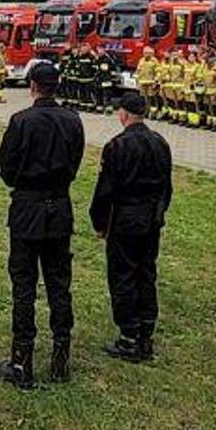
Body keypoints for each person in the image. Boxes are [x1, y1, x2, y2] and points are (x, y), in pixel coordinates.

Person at [0, 62, 85, 389]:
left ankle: (22, 362)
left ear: (32, 86)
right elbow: (75, 161)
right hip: (58, 207)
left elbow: (7, 167)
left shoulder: (21, 121)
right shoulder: (73, 120)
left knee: (24, 284)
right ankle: (61, 357)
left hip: (28, 207)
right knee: (59, 283)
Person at [89, 92, 171, 363]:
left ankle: (129, 336)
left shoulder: (117, 146)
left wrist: (100, 223)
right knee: (146, 273)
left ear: (124, 114)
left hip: (125, 220)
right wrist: (159, 213)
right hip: (151, 219)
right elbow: (166, 187)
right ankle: (146, 330)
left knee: (123, 275)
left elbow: (105, 191)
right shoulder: (160, 143)